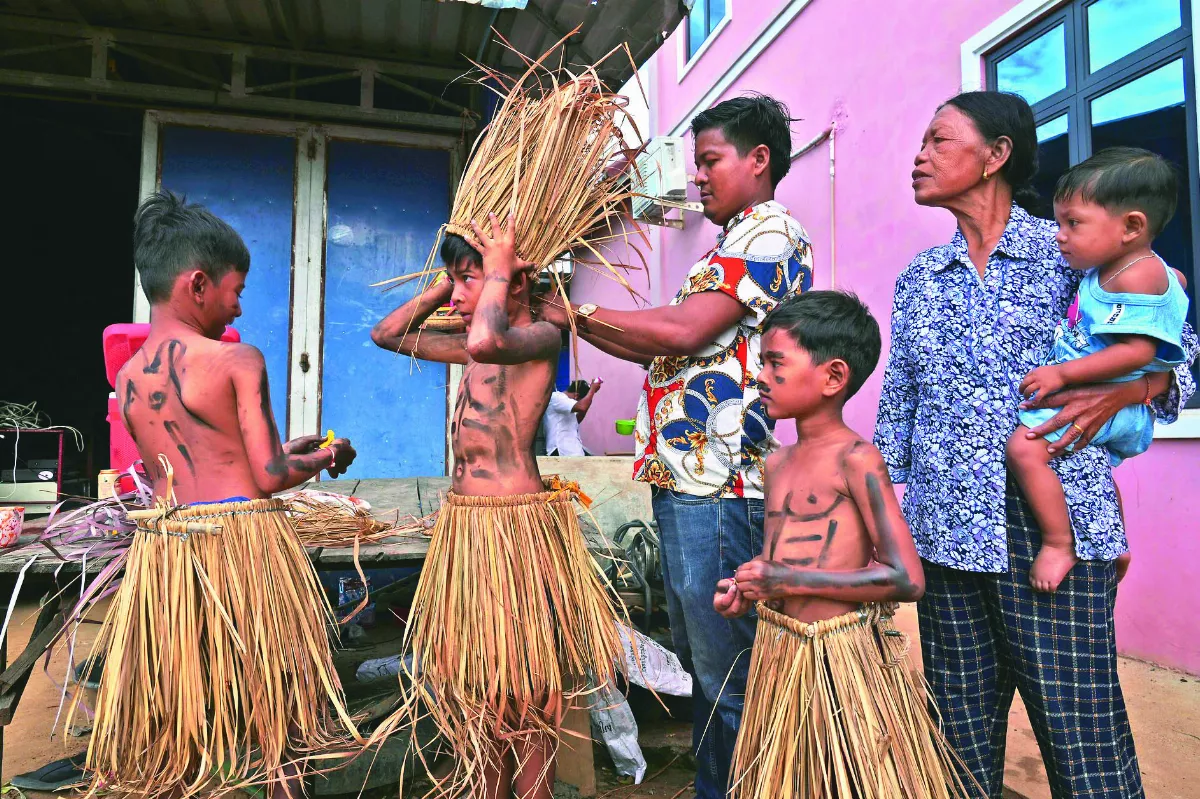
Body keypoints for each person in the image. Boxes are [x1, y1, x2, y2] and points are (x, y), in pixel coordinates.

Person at [875, 90, 1197, 798]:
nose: (918, 155)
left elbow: (1175, 353)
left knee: (1082, 739)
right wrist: (882, 520)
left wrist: (1127, 391)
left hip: (1056, 528)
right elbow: (898, 405)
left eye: (937, 140)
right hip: (947, 528)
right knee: (958, 742)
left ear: (996, 156)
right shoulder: (919, 281)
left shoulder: (1073, 251)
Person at [537, 93, 813, 797]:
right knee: (707, 659)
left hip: (719, 482)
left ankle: (738, 786)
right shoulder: (729, 243)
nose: (697, 178)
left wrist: (575, 314)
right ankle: (714, 782)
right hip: (688, 478)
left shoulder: (771, 230)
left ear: (759, 160)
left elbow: (683, 331)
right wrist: (578, 320)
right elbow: (673, 336)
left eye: (710, 161)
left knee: (727, 670)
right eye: (695, 165)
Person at [85, 191, 360, 799]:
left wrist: (294, 450)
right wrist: (325, 458)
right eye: (235, 290)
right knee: (281, 719)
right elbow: (262, 476)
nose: (238, 303)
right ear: (198, 284)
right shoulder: (238, 358)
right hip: (245, 553)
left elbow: (192, 468)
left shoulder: (128, 381)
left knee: (185, 717)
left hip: (170, 560)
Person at [369, 215, 627, 799]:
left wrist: (501, 268)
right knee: (478, 681)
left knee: (529, 682)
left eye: (469, 280)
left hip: (515, 530)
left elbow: (490, 339)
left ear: (514, 282)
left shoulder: (534, 340)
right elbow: (387, 335)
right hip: (468, 528)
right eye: (454, 282)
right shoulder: (473, 341)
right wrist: (449, 280)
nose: (459, 296)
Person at [713, 291, 972, 799]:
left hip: (841, 660)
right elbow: (780, 556)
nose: (760, 376)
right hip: (781, 653)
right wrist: (751, 588)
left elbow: (906, 578)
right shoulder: (777, 462)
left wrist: (788, 579)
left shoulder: (859, 460)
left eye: (775, 363)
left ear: (833, 376)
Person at [1008, 148, 1189, 593]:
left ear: (1131, 227)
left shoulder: (1137, 275)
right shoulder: (1114, 268)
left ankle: (1058, 542)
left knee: (1024, 449)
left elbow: (1138, 350)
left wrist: (1064, 374)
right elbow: (1176, 283)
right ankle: (1113, 538)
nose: (1059, 236)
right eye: (1059, 222)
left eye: (1073, 223)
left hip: (1117, 397)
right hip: (1111, 397)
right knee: (1091, 469)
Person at [544, 378, 603, 456]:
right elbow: (582, 407)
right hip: (561, 451)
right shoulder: (557, 398)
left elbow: (576, 420)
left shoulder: (568, 404)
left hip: (573, 450)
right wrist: (592, 390)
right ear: (576, 396)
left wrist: (591, 393)